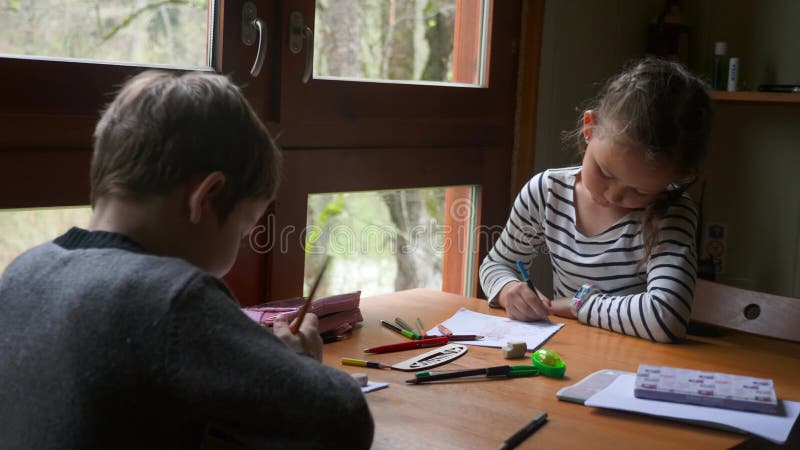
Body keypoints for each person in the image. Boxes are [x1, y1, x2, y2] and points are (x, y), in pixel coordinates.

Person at [0, 71, 374, 449]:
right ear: (207, 198)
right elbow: (342, 423)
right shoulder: (172, 298)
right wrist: (300, 367)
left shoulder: (22, 272)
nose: (241, 247)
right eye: (244, 231)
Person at [480, 58, 712, 343]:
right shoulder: (546, 192)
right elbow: (496, 264)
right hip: (567, 352)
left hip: (635, 365)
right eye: (605, 172)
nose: (614, 195)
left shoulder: (671, 213)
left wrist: (579, 305)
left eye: (640, 192)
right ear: (589, 128)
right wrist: (508, 289)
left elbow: (666, 316)